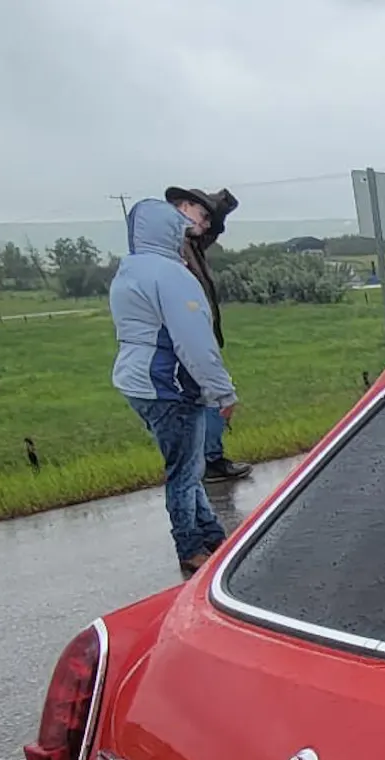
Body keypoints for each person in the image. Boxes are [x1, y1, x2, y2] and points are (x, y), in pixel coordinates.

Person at [110, 198, 240, 577]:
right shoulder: (171, 275)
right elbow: (195, 342)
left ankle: (212, 536)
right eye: (181, 231)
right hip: (169, 384)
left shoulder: (129, 271)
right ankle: (191, 547)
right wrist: (223, 392)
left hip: (139, 383)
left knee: (187, 463)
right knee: (183, 473)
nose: (185, 239)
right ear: (168, 232)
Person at [164, 185, 252, 482]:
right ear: (184, 206)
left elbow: (210, 231)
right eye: (201, 215)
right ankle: (207, 461)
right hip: (188, 336)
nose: (204, 225)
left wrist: (219, 206)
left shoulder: (190, 241)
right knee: (213, 395)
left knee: (206, 396)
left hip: (197, 333)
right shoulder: (171, 243)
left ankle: (204, 459)